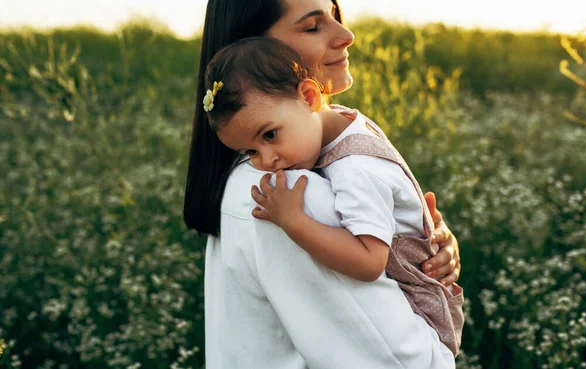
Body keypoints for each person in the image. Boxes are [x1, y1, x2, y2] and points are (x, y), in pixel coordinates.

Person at [184, 0, 462, 367]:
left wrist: (424, 242)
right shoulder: (287, 196)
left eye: (333, 14)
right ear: (252, 48)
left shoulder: (318, 151)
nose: (347, 36)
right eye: (313, 27)